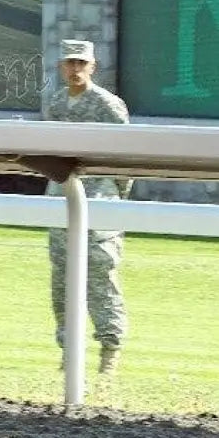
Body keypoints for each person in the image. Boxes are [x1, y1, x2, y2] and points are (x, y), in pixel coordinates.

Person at [45, 39, 131, 373]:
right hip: (61, 200)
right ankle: (69, 352)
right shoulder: (54, 104)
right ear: (62, 66)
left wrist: (118, 206)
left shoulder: (108, 106)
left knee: (100, 274)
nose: (76, 69)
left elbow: (126, 161)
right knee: (61, 279)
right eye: (70, 63)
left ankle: (110, 348)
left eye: (82, 63)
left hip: (100, 203)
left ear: (92, 67)